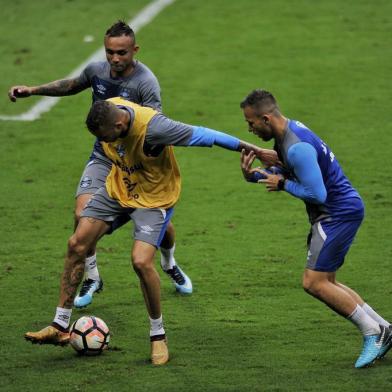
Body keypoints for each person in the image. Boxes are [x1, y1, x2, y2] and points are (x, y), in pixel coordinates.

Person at [24, 97, 279, 365]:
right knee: (77, 243)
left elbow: (208, 135)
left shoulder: (156, 129)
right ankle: (60, 324)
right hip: (119, 189)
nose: (106, 142)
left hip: (154, 199)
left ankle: (158, 335)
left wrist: (257, 151)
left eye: (108, 137)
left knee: (141, 261)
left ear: (121, 125)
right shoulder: (108, 112)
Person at [8, 21, 193, 306]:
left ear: (134, 50)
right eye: (110, 52)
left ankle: (169, 263)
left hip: (137, 166)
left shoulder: (146, 83)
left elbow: (154, 126)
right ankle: (93, 276)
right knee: (82, 215)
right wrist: (33, 90)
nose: (115, 59)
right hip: (103, 158)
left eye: (121, 53)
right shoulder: (97, 71)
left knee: (162, 228)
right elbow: (71, 85)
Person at [239, 89, 392, 369]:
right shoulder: (290, 132)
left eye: (251, 123)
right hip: (340, 211)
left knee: (314, 282)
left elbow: (317, 193)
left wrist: (283, 185)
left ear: (266, 118)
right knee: (327, 281)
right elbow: (292, 172)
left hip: (336, 215)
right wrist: (255, 176)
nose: (249, 128)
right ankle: (384, 327)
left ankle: (373, 332)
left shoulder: (296, 146)